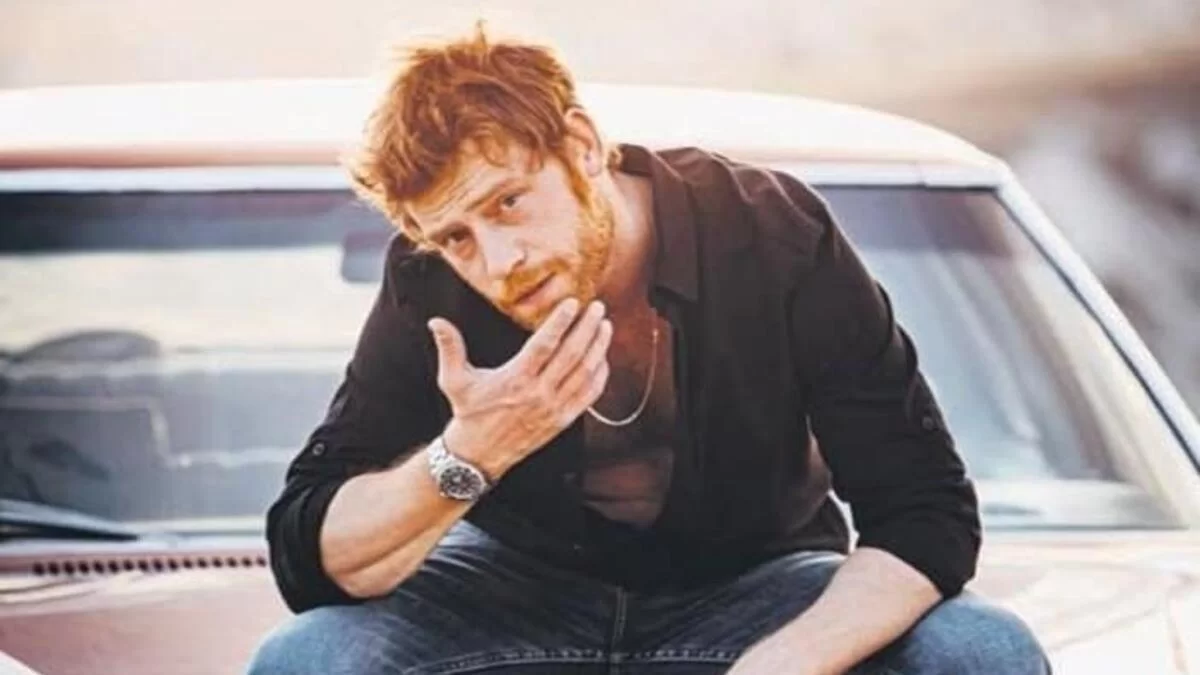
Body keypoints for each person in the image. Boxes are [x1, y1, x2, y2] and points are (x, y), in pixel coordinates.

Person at [247, 24, 1050, 675]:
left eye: (509, 201)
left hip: (758, 585)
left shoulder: (766, 232)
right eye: (456, 235)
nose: (497, 260)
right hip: (512, 595)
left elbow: (924, 513)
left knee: (981, 651)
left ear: (582, 144)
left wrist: (789, 661)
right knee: (305, 659)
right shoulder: (434, 284)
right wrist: (469, 454)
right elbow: (306, 551)